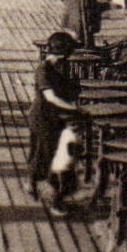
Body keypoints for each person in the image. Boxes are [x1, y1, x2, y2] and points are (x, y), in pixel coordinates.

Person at [28, 31, 82, 214]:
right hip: (43, 117)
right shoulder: (43, 70)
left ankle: (35, 185)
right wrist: (73, 108)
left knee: (47, 154)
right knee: (48, 157)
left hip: (54, 118)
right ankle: (53, 201)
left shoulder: (59, 68)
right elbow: (50, 97)